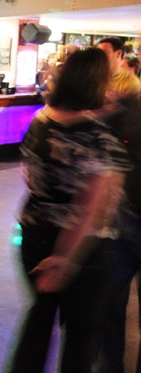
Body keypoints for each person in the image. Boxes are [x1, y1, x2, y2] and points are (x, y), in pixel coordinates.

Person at [9, 48, 131, 373]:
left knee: (40, 318)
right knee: (80, 333)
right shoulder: (99, 140)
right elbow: (91, 210)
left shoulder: (41, 121)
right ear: (96, 82)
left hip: (34, 234)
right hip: (81, 252)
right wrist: (66, 257)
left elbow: (29, 175)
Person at [93, 37, 141, 372]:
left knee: (111, 299)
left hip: (127, 217)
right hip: (125, 218)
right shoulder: (126, 109)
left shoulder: (128, 106)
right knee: (110, 300)